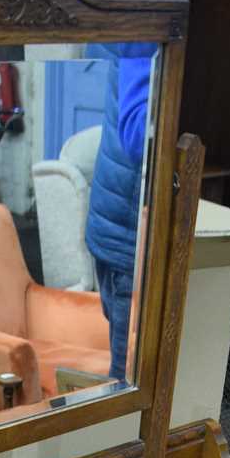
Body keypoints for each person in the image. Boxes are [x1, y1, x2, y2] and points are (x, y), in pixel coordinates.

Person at [84, 44, 155, 379]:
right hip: (125, 236)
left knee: (133, 379)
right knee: (126, 382)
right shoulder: (144, 34)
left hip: (129, 228)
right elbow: (138, 135)